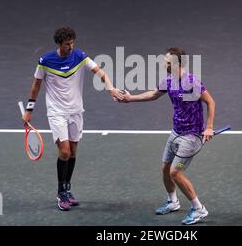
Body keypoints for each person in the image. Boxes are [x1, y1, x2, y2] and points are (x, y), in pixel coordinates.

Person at [22, 27, 124, 211]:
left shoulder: (79, 56)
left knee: (74, 151)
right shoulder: (45, 61)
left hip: (76, 111)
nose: (71, 46)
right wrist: (30, 109)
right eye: (67, 43)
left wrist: (111, 88)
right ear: (59, 44)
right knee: (65, 152)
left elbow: (100, 73)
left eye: (72, 42)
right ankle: (60, 192)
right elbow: (36, 84)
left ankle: (67, 189)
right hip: (56, 112)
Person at [120, 47, 215, 225]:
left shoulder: (192, 82)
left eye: (168, 62)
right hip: (175, 132)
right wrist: (130, 98)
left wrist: (208, 127)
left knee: (175, 172)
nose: (164, 64)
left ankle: (199, 208)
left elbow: (210, 101)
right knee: (165, 168)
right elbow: (154, 94)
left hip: (191, 136)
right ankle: (173, 202)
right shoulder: (169, 80)